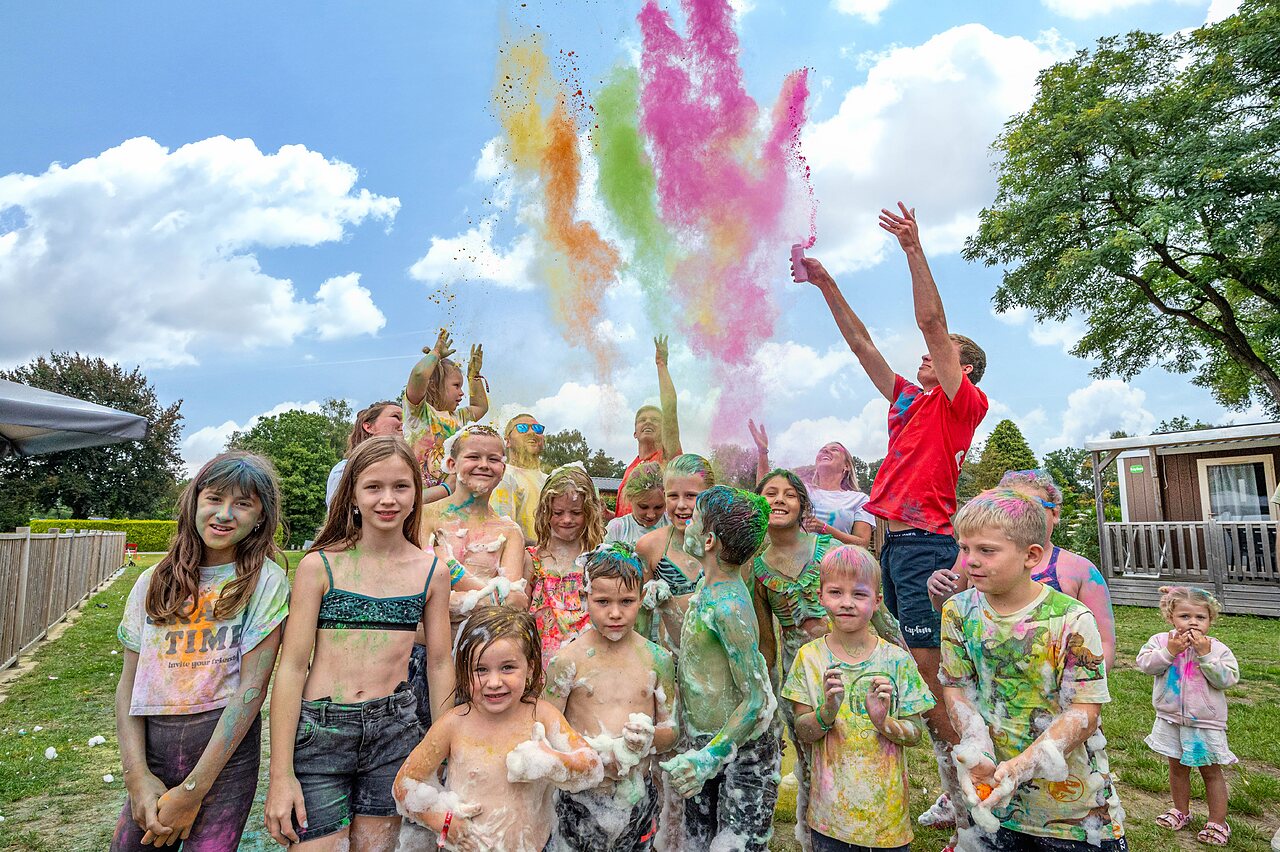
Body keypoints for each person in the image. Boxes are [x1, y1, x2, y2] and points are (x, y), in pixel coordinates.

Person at [801, 203, 988, 838]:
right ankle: (956, 787)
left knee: (932, 679)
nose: (926, 357)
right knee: (916, 670)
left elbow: (932, 319)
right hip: (892, 545)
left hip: (927, 549)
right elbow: (862, 344)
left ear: (961, 369)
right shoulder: (908, 400)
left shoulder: (961, 406)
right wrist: (828, 284)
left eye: (942, 354)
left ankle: (969, 802)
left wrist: (913, 247)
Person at [265, 437, 454, 851]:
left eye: (401, 487)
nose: (387, 499)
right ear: (352, 494)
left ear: (415, 495)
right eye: (373, 487)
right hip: (321, 732)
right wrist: (281, 774)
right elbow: (293, 667)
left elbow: (440, 664)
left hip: (395, 732)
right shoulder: (320, 566)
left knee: (378, 845)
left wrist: (445, 750)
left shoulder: (431, 572)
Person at [112, 452, 290, 852]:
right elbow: (128, 687)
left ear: (261, 516)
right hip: (152, 753)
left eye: (243, 504)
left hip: (224, 763)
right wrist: (136, 775)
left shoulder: (265, 582)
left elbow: (251, 690)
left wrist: (193, 790)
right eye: (214, 498)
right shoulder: (150, 582)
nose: (224, 514)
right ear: (194, 501)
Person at [940, 489, 1126, 851]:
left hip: (1071, 812)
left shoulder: (1070, 618)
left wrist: (1022, 766)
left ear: (1031, 556)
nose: (970, 562)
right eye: (964, 549)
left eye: (986, 551)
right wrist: (977, 746)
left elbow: (1085, 712)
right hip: (991, 799)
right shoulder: (958, 612)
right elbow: (957, 687)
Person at [393, 606, 604, 852]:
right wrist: (443, 820)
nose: (494, 682)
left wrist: (551, 762)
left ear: (531, 669)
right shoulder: (453, 723)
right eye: (481, 670)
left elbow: (591, 766)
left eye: (507, 668)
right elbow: (405, 784)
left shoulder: (542, 716)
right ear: (463, 673)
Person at [783, 544, 935, 852]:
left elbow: (916, 734)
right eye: (836, 592)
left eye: (860, 594)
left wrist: (884, 722)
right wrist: (826, 712)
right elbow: (803, 731)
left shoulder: (897, 661)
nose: (847, 603)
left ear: (877, 601)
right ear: (820, 595)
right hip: (830, 818)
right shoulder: (809, 658)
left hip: (887, 820)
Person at [660, 486, 779, 852]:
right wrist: (665, 608)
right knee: (699, 841)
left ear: (709, 540)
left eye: (693, 519)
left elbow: (756, 698)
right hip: (706, 742)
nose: (686, 524)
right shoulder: (707, 589)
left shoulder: (729, 605)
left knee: (735, 844)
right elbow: (698, 652)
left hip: (741, 751)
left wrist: (709, 758)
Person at [544, 543, 679, 852]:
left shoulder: (657, 659)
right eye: (602, 601)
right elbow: (546, 730)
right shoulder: (568, 661)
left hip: (636, 795)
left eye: (627, 601)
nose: (615, 612)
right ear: (584, 598)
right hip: (579, 796)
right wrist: (585, 754)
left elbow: (671, 732)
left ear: (642, 599)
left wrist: (647, 740)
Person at [928, 468, 1118, 670]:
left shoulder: (1079, 570)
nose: (1019, 514)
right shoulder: (973, 559)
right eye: (1008, 505)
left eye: (1030, 505)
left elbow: (1104, 643)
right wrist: (938, 587)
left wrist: (1079, 687)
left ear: (1054, 513)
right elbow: (949, 606)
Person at [1136, 585, 1239, 847]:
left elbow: (1227, 680)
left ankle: (1217, 822)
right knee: (1177, 768)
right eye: (1184, 616)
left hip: (1205, 724)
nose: (1192, 623)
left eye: (1200, 618)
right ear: (1171, 617)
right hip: (1170, 719)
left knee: (1210, 771)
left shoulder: (1217, 649)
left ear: (1210, 620)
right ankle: (1180, 810)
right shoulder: (1161, 641)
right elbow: (1145, 665)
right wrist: (1169, 652)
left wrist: (1205, 656)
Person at [420, 424, 529, 630]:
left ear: (503, 469)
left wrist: (452, 579)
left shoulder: (509, 532)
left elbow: (514, 604)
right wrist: (489, 598)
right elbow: (417, 596)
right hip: (423, 647)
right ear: (452, 464)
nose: (484, 465)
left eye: (494, 459)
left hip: (482, 648)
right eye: (473, 457)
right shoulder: (426, 517)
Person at [526, 464, 607, 667]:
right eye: (558, 512)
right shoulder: (533, 560)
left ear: (589, 513)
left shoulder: (599, 560)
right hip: (541, 663)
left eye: (576, 512)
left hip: (589, 663)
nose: (567, 519)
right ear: (545, 513)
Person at [634, 453, 716, 652]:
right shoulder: (649, 546)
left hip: (716, 663)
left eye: (690, 496)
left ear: (710, 495)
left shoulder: (725, 546)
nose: (681, 505)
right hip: (671, 660)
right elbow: (640, 619)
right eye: (672, 496)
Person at [749, 422, 873, 548]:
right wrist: (762, 452)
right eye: (823, 450)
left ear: (846, 466)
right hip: (797, 563)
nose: (826, 450)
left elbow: (862, 544)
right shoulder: (801, 490)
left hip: (837, 565)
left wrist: (825, 529)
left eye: (834, 449)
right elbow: (764, 494)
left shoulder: (859, 499)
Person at [403, 327, 488, 497]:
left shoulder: (458, 417)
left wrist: (474, 376)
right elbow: (419, 375)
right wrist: (435, 353)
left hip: (449, 501)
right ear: (434, 385)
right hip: (418, 497)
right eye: (456, 386)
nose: (462, 393)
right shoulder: (419, 411)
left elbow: (480, 407)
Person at [615, 336, 683, 517]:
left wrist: (662, 366)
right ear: (634, 432)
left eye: (655, 420)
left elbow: (670, 410)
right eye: (642, 419)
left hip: (656, 541)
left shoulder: (667, 457)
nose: (648, 422)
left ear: (664, 430)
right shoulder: (631, 467)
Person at [326, 400, 403, 507]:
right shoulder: (343, 471)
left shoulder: (408, 469)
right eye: (396, 417)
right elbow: (337, 517)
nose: (403, 423)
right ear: (369, 427)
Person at [490, 412, 549, 543]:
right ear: (508, 441)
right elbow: (503, 533)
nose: (532, 432)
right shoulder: (503, 476)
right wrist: (544, 548)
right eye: (522, 428)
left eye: (537, 429)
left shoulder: (550, 480)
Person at [604, 461, 669, 546]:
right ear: (631, 498)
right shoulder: (618, 529)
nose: (651, 515)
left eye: (659, 507)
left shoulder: (673, 525)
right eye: (643, 507)